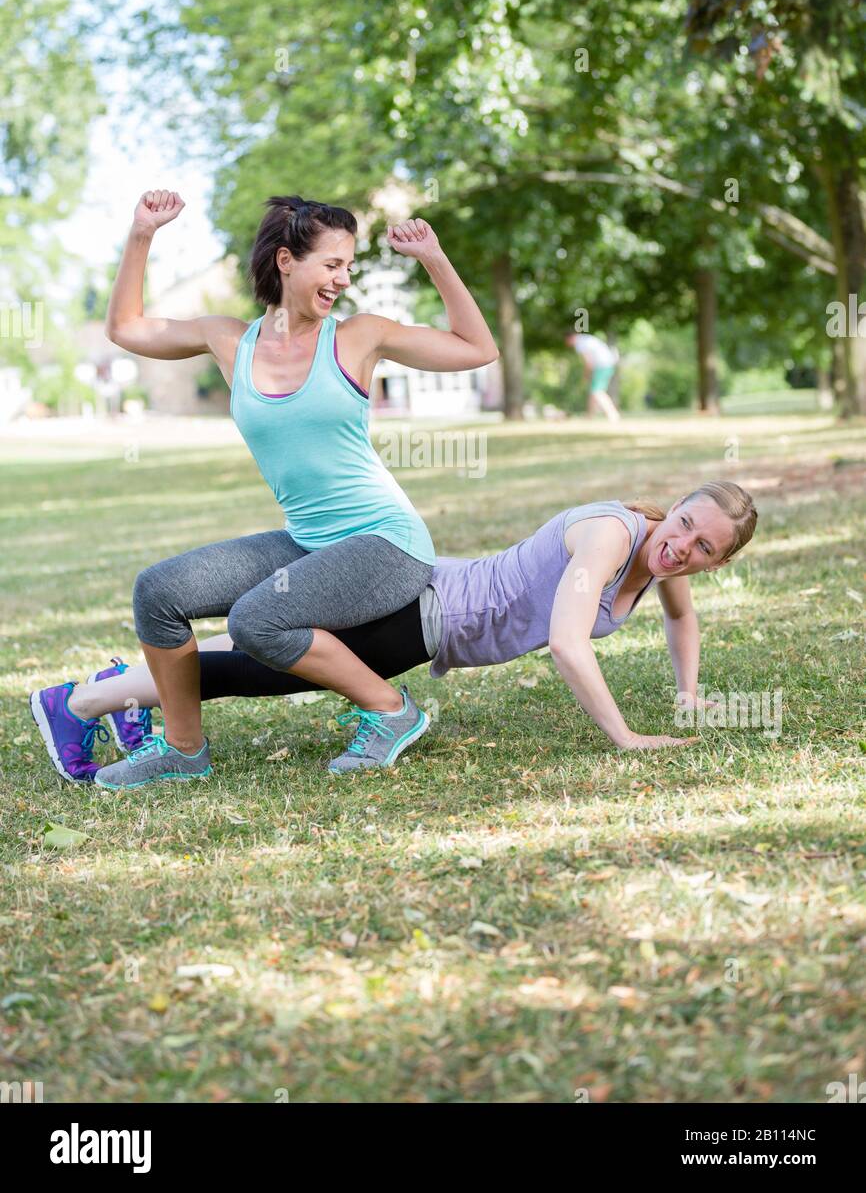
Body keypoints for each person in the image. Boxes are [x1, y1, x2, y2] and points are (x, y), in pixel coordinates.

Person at [35, 191, 498, 789]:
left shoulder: (357, 337)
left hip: (386, 544)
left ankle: (391, 711)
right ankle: (182, 749)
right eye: (332, 264)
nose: (343, 279)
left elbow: (477, 349)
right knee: (158, 592)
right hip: (308, 543)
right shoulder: (233, 342)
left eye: (348, 266)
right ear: (286, 261)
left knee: (257, 619)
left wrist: (434, 257)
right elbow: (125, 328)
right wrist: (143, 231)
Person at [31, 481, 757, 779]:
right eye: (688, 523)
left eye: (704, 549)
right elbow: (568, 642)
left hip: (422, 617)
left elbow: (681, 614)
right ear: (677, 504)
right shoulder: (611, 537)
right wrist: (626, 738)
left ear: (716, 561)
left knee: (261, 645)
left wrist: (688, 692)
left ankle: (109, 693)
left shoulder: (661, 563)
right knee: (259, 666)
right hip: (418, 612)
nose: (683, 547)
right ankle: (84, 704)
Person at [567, 331, 621, 421]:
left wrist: (586, 376)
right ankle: (589, 416)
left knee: (597, 391)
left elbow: (588, 362)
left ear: (570, 338)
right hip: (606, 364)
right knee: (593, 392)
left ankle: (613, 415)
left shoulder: (579, 343)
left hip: (603, 365)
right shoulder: (584, 339)